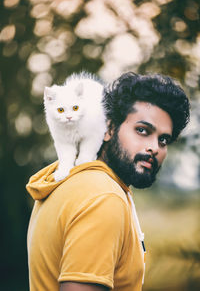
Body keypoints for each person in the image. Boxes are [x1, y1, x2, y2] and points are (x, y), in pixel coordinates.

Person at [26, 72, 190, 291]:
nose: (155, 148)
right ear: (109, 128)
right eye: (142, 130)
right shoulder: (103, 197)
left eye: (163, 139)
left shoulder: (68, 180)